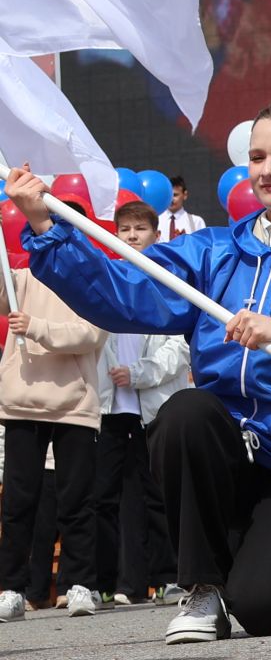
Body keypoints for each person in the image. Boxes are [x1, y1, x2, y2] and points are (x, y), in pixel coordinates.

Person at [10, 103, 271, 642]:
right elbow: (123, 294)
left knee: (267, 608)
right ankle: (203, 588)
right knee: (186, 412)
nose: (268, 169)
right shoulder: (216, 251)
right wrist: (43, 223)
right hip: (223, 450)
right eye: (258, 156)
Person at [0, 207, 105, 621]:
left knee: (78, 500)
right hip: (21, 401)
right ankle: (11, 588)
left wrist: (37, 327)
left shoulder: (93, 280)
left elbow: (91, 333)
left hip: (75, 406)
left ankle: (81, 584)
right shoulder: (21, 277)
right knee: (18, 502)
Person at [91, 200, 191, 607]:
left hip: (154, 406)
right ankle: (120, 583)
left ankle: (168, 577)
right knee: (109, 497)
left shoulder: (170, 279)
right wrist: (115, 373)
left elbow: (178, 348)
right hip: (112, 409)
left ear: (156, 233)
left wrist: (139, 374)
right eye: (125, 230)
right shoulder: (108, 278)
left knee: (157, 494)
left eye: (140, 229)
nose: (132, 236)